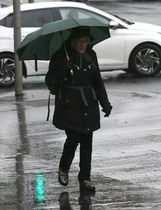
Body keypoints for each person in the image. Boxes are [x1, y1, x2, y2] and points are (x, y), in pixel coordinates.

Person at [45, 26, 112, 191]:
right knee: (73, 138)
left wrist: (105, 103)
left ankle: (85, 178)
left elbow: (97, 81)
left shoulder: (91, 55)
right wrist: (62, 71)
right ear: (73, 42)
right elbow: (51, 83)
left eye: (86, 41)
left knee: (87, 141)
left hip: (88, 104)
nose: (84, 45)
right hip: (70, 105)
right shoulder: (61, 56)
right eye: (80, 42)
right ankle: (64, 168)